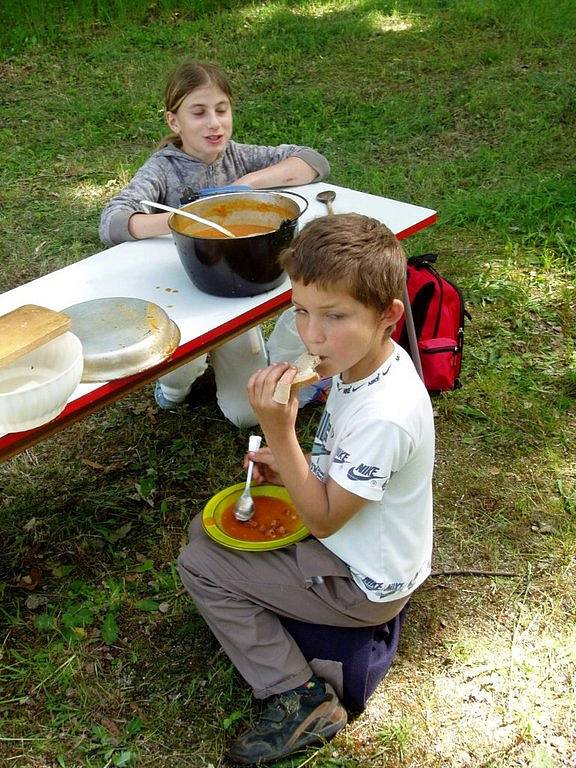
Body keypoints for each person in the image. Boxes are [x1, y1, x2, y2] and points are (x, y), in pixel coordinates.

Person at [177, 214, 435, 765]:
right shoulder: (360, 364)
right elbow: (336, 466)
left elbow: (322, 520)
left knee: (199, 565)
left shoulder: (385, 416)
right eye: (299, 311)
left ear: (388, 316)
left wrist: (279, 431)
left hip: (365, 583)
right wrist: (291, 463)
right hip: (353, 542)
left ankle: (299, 696)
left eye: (334, 316)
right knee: (209, 529)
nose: (312, 335)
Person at [99, 60, 330, 427]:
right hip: (184, 295)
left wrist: (247, 185)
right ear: (174, 121)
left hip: (237, 288)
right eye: (199, 112)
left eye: (222, 110)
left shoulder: (236, 156)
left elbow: (313, 162)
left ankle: (232, 357)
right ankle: (174, 387)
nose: (214, 123)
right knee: (179, 374)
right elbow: (112, 222)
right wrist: (185, 220)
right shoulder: (163, 169)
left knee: (247, 416)